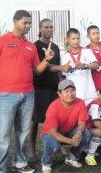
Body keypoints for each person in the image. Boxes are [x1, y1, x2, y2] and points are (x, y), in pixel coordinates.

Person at [0, 10, 55, 173]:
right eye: (25, 22)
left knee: (22, 132)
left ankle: (19, 163)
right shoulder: (1, 41)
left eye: (30, 23)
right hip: (6, 95)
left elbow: (37, 70)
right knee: (2, 136)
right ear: (15, 21)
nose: (28, 26)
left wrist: (46, 60)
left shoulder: (30, 46)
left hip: (28, 95)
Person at [28, 18, 71, 162]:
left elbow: (56, 67)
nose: (49, 30)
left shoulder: (56, 47)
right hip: (39, 87)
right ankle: (31, 148)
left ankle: (58, 144)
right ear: (40, 29)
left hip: (54, 89)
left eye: (51, 27)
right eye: (46, 27)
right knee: (35, 119)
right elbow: (45, 66)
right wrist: (63, 68)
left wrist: (61, 84)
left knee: (55, 118)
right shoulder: (35, 46)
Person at [40, 79, 91, 172]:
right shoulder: (53, 107)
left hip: (68, 131)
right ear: (59, 93)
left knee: (86, 135)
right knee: (54, 145)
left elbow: (82, 123)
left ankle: (71, 158)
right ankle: (46, 162)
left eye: (72, 90)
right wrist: (71, 141)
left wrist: (79, 133)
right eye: (66, 91)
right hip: (50, 133)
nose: (70, 94)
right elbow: (52, 133)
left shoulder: (80, 102)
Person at [60, 28, 99, 105]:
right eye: (73, 39)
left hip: (89, 93)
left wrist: (84, 66)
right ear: (68, 39)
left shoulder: (87, 51)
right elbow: (62, 76)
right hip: (74, 95)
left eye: (78, 38)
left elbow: (96, 65)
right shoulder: (64, 56)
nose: (76, 41)